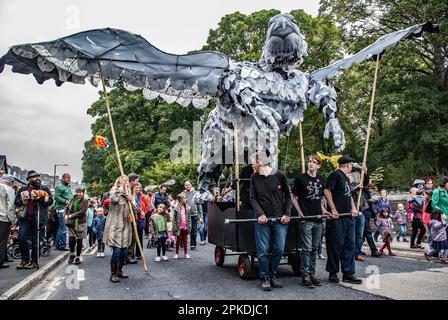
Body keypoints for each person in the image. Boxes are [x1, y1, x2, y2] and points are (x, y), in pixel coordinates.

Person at [250, 152, 291, 291]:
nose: (251, 165)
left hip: (280, 219)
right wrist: (260, 214)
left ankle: (273, 275)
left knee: (279, 249)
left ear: (261, 162)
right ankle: (265, 278)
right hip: (263, 221)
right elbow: (252, 198)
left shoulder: (280, 175)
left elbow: (288, 196)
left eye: (253, 162)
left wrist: (287, 213)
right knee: (262, 251)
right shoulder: (254, 177)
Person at [323, 156, 362, 285]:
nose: (352, 167)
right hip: (337, 217)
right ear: (348, 165)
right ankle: (333, 272)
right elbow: (327, 190)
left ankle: (348, 273)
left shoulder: (346, 178)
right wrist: (333, 209)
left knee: (350, 245)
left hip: (348, 216)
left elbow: (348, 194)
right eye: (351, 165)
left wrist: (354, 208)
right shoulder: (335, 175)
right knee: (335, 245)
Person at [291, 154, 327, 288]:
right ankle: (305, 275)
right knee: (306, 248)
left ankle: (312, 274)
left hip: (318, 218)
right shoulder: (300, 178)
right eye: (309, 161)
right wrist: (300, 213)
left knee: (314, 248)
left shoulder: (321, 179)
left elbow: (319, 198)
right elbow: (294, 197)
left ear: (318, 165)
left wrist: (324, 211)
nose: (310, 163)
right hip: (306, 218)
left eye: (314, 162)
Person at [15, 171, 53, 269]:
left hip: (38, 218)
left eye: (38, 176)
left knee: (36, 240)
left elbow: (50, 201)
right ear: (29, 179)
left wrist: (39, 198)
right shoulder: (23, 189)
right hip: (25, 217)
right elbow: (16, 202)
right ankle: (25, 259)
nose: (37, 178)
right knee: (22, 238)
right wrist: (24, 199)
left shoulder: (44, 189)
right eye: (34, 177)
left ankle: (34, 261)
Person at [103, 175, 133, 283]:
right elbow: (114, 199)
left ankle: (120, 271)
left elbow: (134, 206)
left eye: (126, 181)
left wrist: (131, 200)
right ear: (119, 182)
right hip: (115, 225)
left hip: (125, 225)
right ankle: (113, 274)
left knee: (124, 252)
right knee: (117, 251)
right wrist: (120, 190)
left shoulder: (129, 193)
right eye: (123, 180)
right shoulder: (114, 191)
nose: (125, 182)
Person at [65, 187, 88, 264]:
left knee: (79, 241)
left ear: (83, 193)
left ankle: (78, 257)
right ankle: (72, 254)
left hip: (80, 223)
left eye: (81, 192)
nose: (79, 194)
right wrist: (65, 215)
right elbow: (67, 208)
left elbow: (82, 212)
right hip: (71, 222)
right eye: (78, 192)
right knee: (71, 240)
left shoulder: (85, 201)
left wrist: (71, 215)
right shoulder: (72, 199)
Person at [0, 175, 17, 269]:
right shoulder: (9, 189)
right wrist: (13, 220)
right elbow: (10, 207)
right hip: (3, 218)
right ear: (10, 182)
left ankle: (5, 257)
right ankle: (0, 261)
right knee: (2, 241)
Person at [54, 173, 72, 251]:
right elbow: (56, 197)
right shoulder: (59, 187)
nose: (69, 179)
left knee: (61, 228)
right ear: (63, 178)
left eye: (69, 178)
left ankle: (58, 244)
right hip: (62, 210)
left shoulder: (66, 187)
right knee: (63, 228)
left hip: (65, 210)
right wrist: (65, 201)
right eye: (67, 178)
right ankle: (62, 245)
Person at [182, 181, 201, 251]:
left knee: (194, 230)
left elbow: (199, 204)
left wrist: (200, 215)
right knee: (184, 229)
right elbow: (179, 203)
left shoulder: (196, 193)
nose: (187, 186)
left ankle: (193, 245)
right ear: (184, 186)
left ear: (191, 185)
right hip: (185, 214)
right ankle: (183, 243)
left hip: (194, 214)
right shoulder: (183, 193)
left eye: (188, 185)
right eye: (186, 185)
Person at [172, 193, 192, 259]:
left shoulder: (188, 207)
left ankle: (186, 253)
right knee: (178, 240)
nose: (185, 199)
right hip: (178, 226)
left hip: (185, 226)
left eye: (185, 198)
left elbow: (189, 218)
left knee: (185, 240)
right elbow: (174, 218)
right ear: (180, 199)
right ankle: (176, 254)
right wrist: (175, 226)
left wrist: (190, 225)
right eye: (184, 198)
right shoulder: (175, 207)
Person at [126, 173, 140, 264]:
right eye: (137, 181)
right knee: (128, 238)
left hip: (134, 217)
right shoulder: (126, 190)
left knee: (133, 238)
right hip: (127, 218)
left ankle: (130, 256)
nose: (138, 183)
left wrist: (138, 209)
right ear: (132, 181)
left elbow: (134, 203)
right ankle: (125, 256)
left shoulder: (133, 190)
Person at [133, 182, 149, 260]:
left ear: (141, 189)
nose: (137, 189)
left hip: (140, 217)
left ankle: (139, 253)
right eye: (136, 187)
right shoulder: (132, 196)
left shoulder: (143, 197)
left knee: (139, 236)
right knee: (133, 237)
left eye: (138, 188)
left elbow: (146, 207)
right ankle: (131, 254)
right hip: (133, 216)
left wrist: (144, 213)